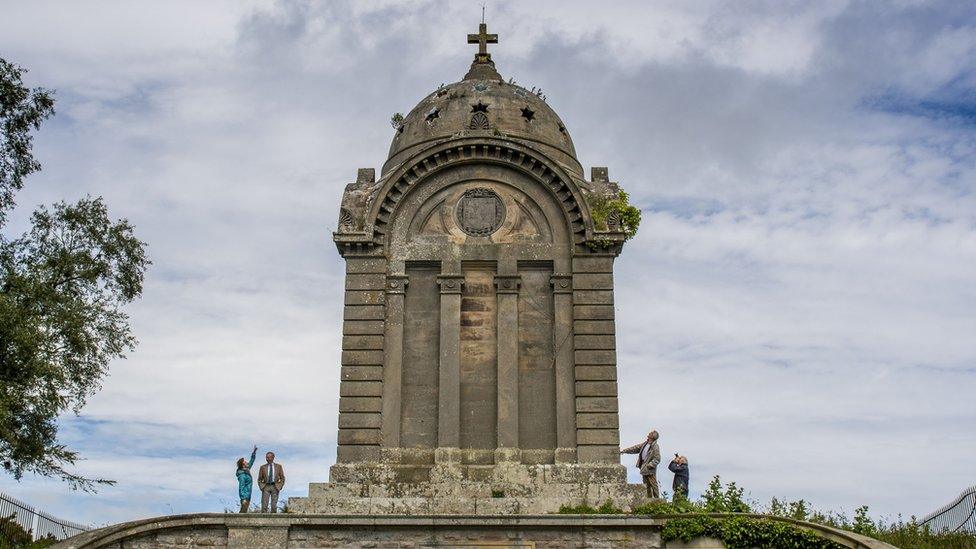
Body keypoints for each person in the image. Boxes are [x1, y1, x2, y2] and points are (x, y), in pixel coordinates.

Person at [621, 430, 661, 498]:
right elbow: (635, 448)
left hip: (650, 469)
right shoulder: (645, 444)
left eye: (650, 433)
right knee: (646, 484)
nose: (648, 434)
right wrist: (625, 451)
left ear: (652, 436)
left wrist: (650, 465)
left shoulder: (655, 446)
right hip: (644, 467)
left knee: (653, 484)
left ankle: (657, 499)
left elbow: (657, 458)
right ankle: (649, 499)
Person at [235, 446, 257, 513]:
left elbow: (251, 461)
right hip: (244, 496)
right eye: (244, 461)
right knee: (243, 511)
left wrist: (254, 452)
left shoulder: (246, 470)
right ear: (242, 464)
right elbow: (241, 487)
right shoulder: (242, 475)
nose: (246, 462)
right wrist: (243, 498)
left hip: (248, 495)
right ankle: (237, 522)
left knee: (244, 511)